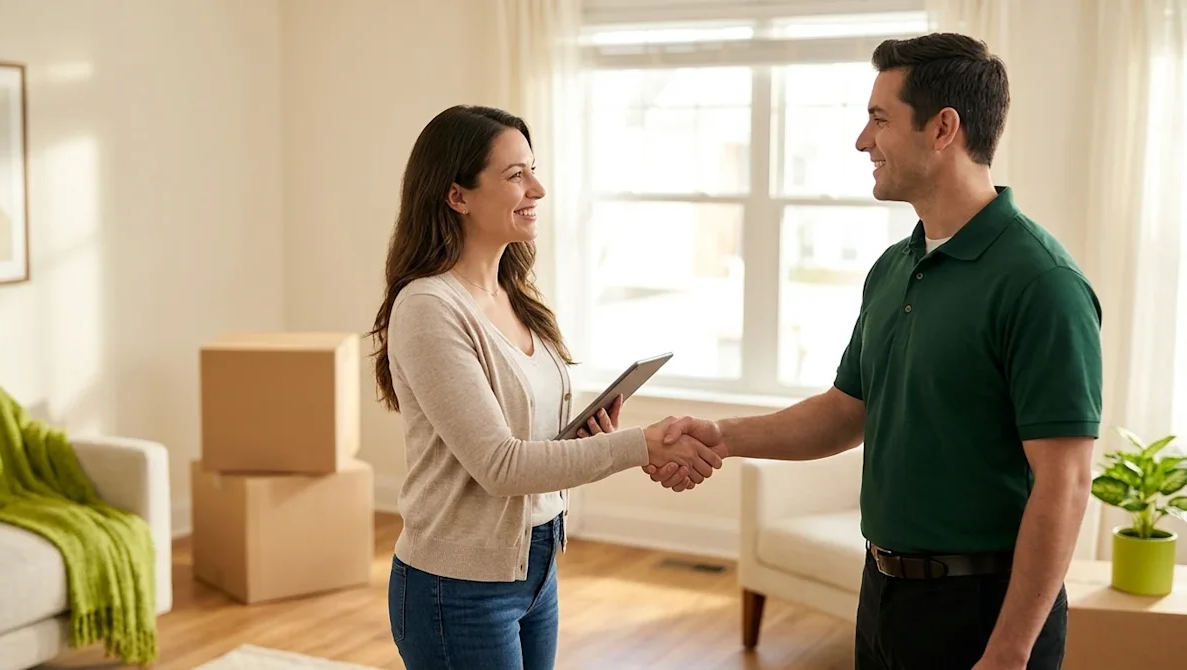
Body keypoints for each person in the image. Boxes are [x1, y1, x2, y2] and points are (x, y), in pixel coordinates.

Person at [648, 33, 1102, 670]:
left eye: (879, 119)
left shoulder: (1042, 283)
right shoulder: (896, 266)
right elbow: (846, 410)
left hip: (983, 612)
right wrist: (720, 434)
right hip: (885, 594)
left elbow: (1067, 482)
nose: (863, 141)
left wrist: (1009, 651)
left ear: (943, 128)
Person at [368, 104, 723, 670]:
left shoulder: (517, 296)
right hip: (456, 586)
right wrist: (641, 445)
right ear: (457, 196)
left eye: (532, 169)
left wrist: (582, 437)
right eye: (514, 175)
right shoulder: (430, 307)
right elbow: (500, 467)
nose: (536, 188)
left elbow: (524, 438)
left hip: (536, 564)